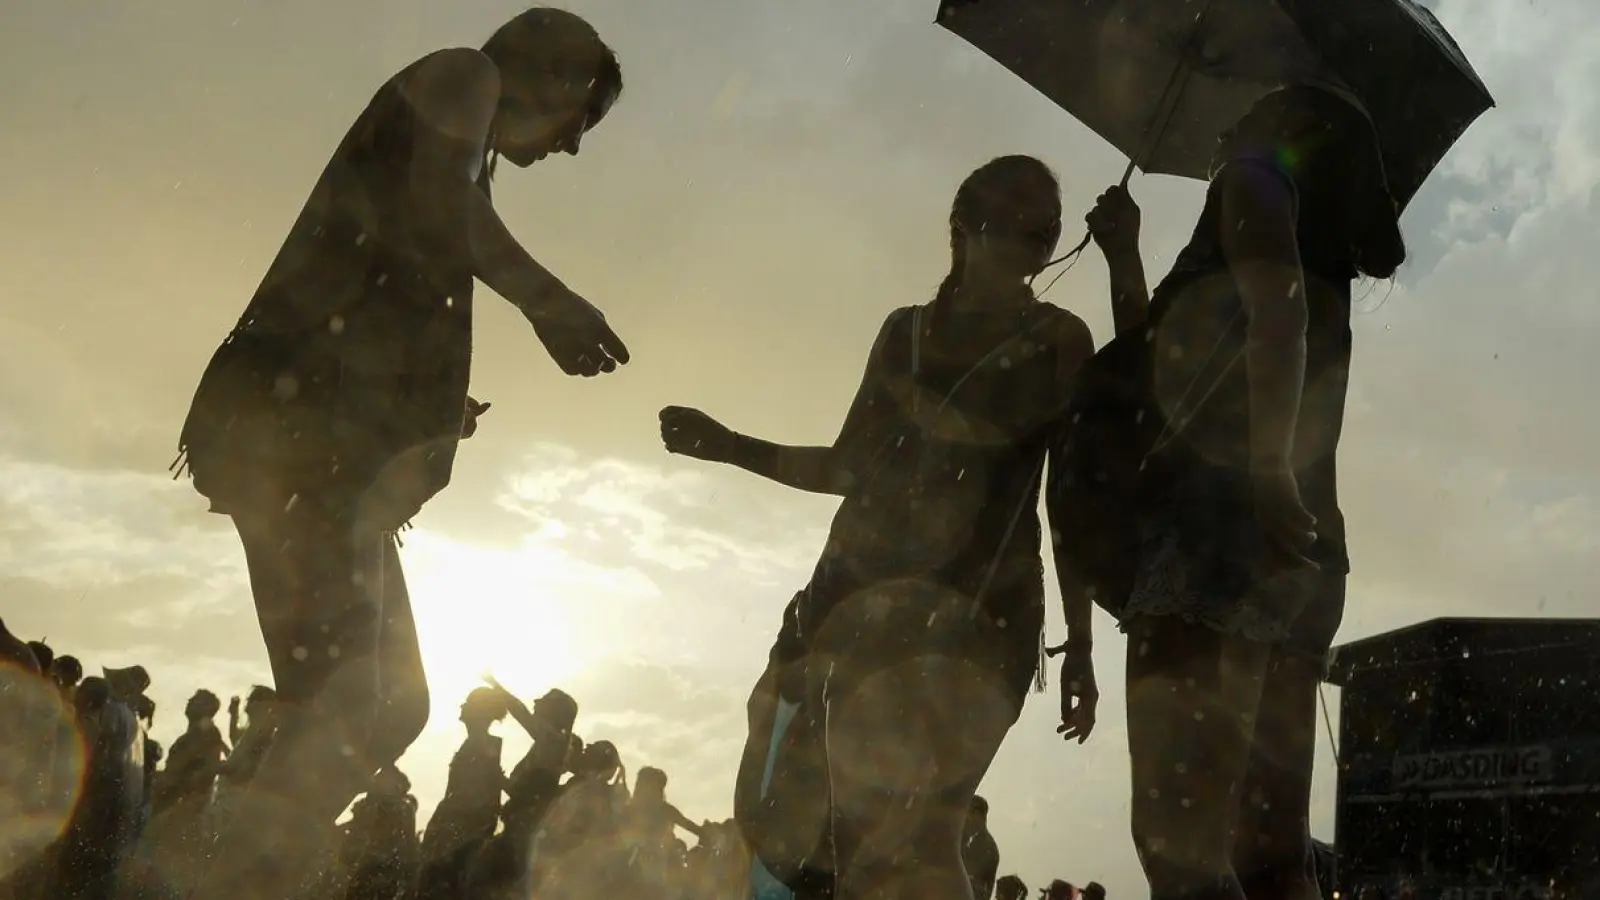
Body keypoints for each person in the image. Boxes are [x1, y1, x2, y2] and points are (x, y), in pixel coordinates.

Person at [174, 8, 629, 896]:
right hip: (297, 431)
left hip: (323, 438)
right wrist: (549, 300)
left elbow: (391, 254)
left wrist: (430, 395)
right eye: (585, 119)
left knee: (391, 703)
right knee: (355, 699)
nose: (573, 149)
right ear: (557, 75)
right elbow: (435, 203)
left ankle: (239, 872)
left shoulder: (470, 145)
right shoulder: (466, 73)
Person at [662, 155, 1097, 899]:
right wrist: (730, 446)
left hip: (979, 615)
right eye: (1018, 223)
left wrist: (1080, 642)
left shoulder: (1061, 339)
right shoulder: (907, 333)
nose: (1035, 241)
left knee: (923, 834)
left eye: (1046, 228)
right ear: (965, 226)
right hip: (858, 600)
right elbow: (846, 469)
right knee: (780, 814)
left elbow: (1073, 502)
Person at [1078, 84, 1406, 900]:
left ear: (1291, 131)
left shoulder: (1257, 174)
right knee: (1270, 861)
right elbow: (1161, 374)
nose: (1227, 124)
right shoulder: (1314, 245)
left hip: (1215, 541)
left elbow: (1277, 316)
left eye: (1252, 108)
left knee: (1178, 845)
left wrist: (1263, 474)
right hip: (1304, 555)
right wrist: (1126, 257)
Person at [417, 687, 508, 900]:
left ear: (480, 711)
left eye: (469, 702)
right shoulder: (476, 744)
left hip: (459, 835)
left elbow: (482, 797)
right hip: (453, 831)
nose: (463, 706)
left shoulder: (484, 745)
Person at [962, 795, 1000, 900]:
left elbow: (985, 889)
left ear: (978, 815)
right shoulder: (964, 839)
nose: (965, 818)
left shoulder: (989, 848)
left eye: (969, 812)